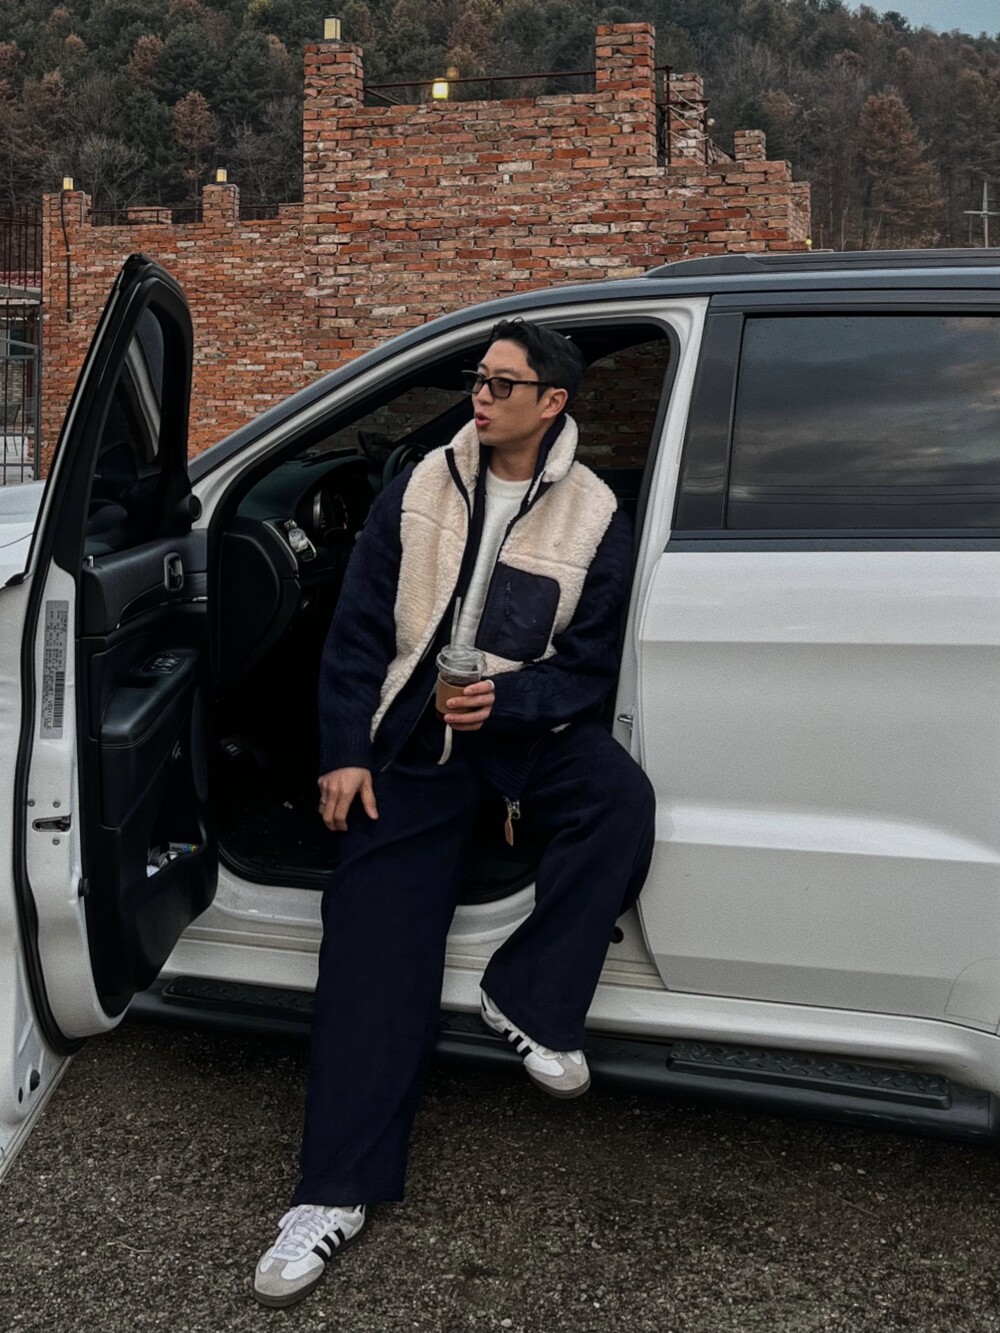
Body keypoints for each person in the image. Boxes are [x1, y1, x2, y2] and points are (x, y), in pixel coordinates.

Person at [253, 319, 656, 1308]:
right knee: (372, 942)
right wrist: (345, 751)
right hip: (412, 740)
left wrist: (509, 701)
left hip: (521, 734)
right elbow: (355, 633)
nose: (481, 394)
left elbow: (590, 663)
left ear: (552, 402)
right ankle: (331, 1192)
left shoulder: (595, 512)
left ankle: (530, 997)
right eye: (479, 377)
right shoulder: (420, 486)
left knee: (618, 799)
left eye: (503, 383)